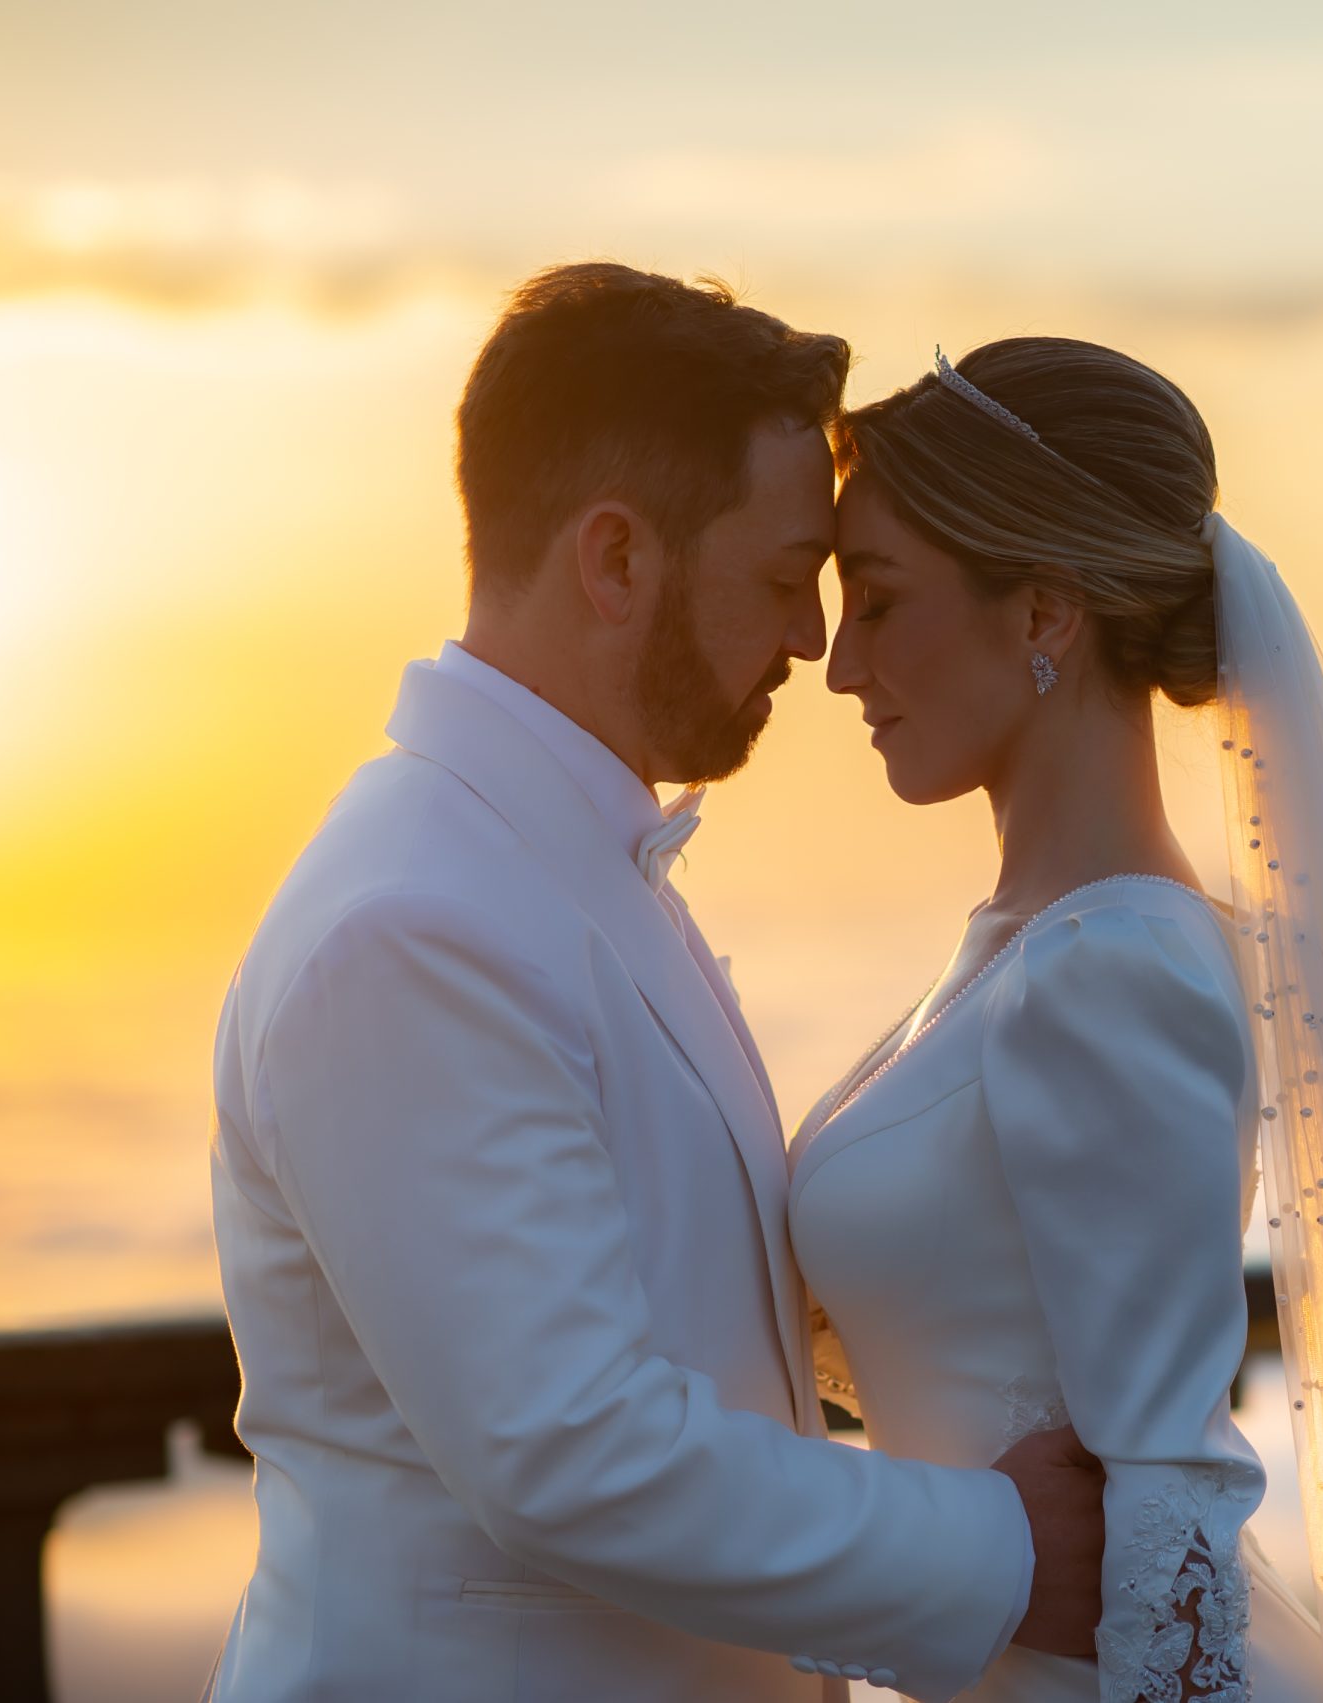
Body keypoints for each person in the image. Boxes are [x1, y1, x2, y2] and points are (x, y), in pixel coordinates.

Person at [204, 264, 1106, 1703]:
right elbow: (570, 1450)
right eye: (779, 578)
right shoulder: (414, 923)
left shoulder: (557, 870)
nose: (813, 643)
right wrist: (995, 1549)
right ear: (617, 560)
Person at [795, 339, 1323, 1702]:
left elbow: (1169, 1491)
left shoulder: (1112, 968)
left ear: (1044, 614)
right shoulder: (1028, 950)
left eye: (879, 601)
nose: (840, 666)